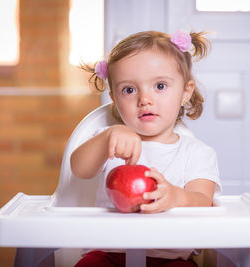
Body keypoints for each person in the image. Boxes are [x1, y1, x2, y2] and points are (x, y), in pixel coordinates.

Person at [71, 30, 221, 267]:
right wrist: (109, 136)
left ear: (185, 92)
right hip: (108, 253)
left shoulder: (198, 153)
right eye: (129, 90)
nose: (145, 99)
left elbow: (204, 201)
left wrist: (175, 196)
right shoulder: (110, 142)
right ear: (115, 99)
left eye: (160, 85)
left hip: (170, 258)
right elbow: (79, 169)